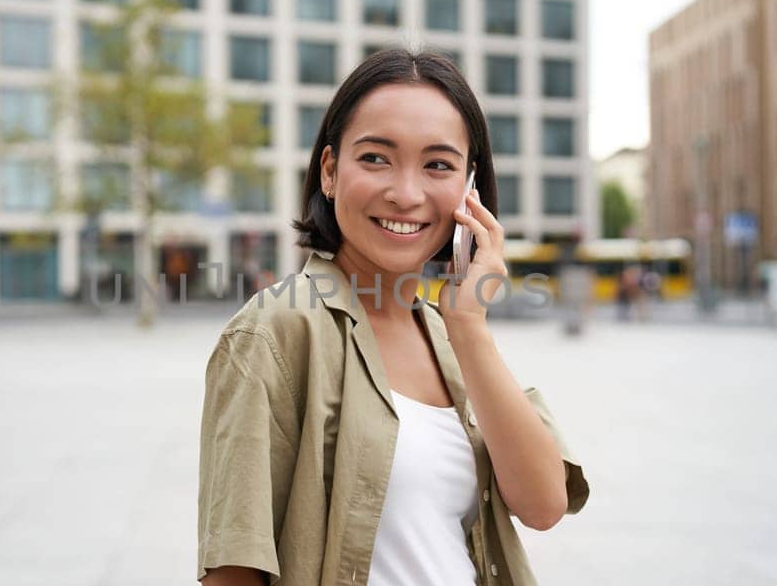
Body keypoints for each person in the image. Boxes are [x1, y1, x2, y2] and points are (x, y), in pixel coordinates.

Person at [198, 50, 589, 586]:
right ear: (330, 171)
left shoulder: (449, 335)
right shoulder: (274, 333)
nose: (406, 194)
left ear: (469, 192)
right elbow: (233, 568)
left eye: (438, 165)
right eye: (377, 158)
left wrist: (469, 326)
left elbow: (543, 505)